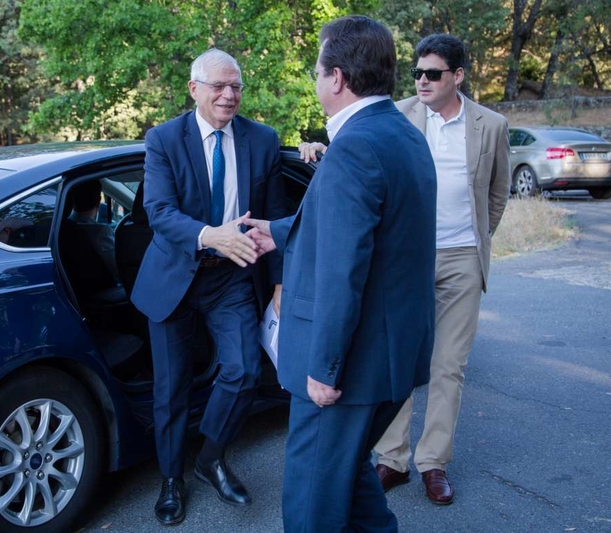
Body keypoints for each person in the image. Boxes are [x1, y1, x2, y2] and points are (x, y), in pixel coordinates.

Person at [299, 33, 512, 505]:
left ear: (458, 76)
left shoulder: (491, 125)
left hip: (460, 257)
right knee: (397, 359)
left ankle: (433, 462)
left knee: (448, 366)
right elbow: (361, 164)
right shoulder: (396, 115)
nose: (421, 81)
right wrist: (320, 152)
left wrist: (478, 238)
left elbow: (497, 195)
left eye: (432, 73)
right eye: (416, 72)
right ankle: (391, 458)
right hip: (407, 260)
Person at [244, 16, 437, 532]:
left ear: (336, 78)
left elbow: (341, 268)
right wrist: (277, 230)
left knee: (311, 503)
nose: (314, 80)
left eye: (315, 70)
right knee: (348, 478)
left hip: (347, 367)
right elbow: (366, 230)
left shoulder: (355, 146)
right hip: (391, 355)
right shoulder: (401, 132)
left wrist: (324, 370)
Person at [130, 48, 285, 526]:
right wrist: (208, 235)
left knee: (243, 371)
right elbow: (158, 212)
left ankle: (210, 458)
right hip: (175, 274)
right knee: (171, 390)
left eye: (235, 85)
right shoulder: (163, 139)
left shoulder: (263, 140)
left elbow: (277, 221)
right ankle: (172, 479)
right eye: (218, 86)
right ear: (194, 89)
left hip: (233, 276)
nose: (229, 94)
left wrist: (277, 285)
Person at [69, 179, 119, 281]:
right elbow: (118, 269)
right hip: (103, 291)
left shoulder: (64, 228)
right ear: (98, 200)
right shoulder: (101, 232)